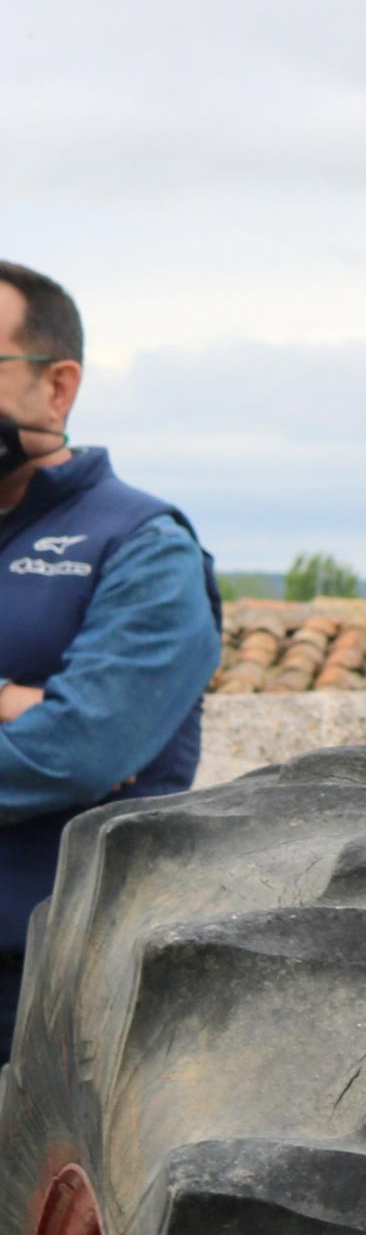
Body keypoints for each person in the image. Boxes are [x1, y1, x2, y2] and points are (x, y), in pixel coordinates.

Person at [0, 261, 223, 1055]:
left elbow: (75, 751)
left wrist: (52, 721)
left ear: (57, 388)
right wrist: (16, 698)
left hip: (56, 991)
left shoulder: (141, 546)